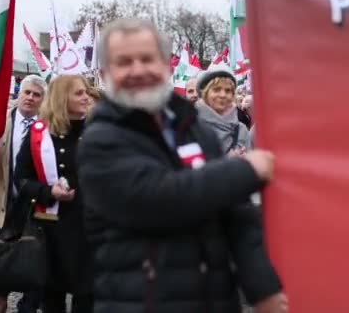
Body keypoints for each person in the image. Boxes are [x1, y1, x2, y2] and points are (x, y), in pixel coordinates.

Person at [77, 18, 288, 313]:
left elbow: (237, 215)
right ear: (103, 73)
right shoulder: (99, 140)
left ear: (166, 66)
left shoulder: (192, 128)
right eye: (124, 62)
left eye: (147, 59)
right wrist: (246, 170)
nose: (138, 69)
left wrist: (263, 288)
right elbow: (159, 198)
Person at [15, 75, 93, 313]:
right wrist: (48, 191)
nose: (86, 97)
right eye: (79, 93)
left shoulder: (98, 130)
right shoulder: (40, 134)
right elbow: (22, 178)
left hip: (89, 229)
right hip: (51, 228)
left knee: (88, 297)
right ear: (62, 98)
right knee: (52, 298)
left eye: (86, 92)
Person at [0, 75, 47, 313]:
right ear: (18, 94)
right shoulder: (0, 120)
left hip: (36, 203)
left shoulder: (48, 125)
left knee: (36, 254)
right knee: (1, 255)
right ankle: (0, 298)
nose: (30, 98)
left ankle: (28, 305)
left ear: (43, 100)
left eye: (36, 94)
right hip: (3, 199)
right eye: (27, 92)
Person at [196, 64, 251, 156]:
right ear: (205, 93)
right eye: (216, 90)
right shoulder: (191, 126)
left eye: (228, 90)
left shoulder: (241, 129)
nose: (222, 95)